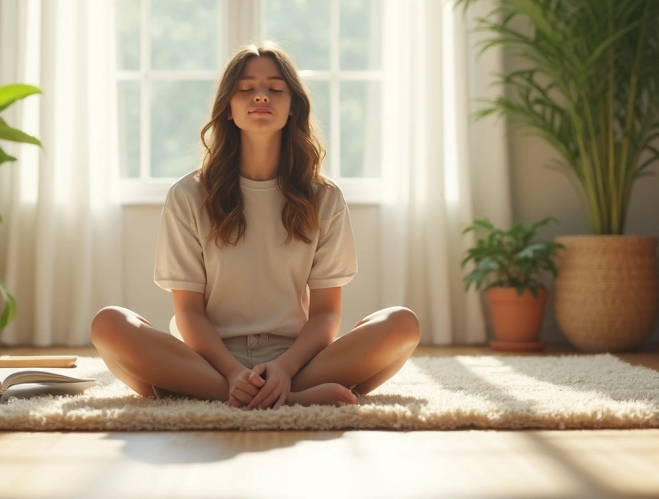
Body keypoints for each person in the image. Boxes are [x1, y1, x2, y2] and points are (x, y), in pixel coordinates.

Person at [91, 42, 420, 410]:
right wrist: (232, 373)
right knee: (110, 324)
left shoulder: (324, 198)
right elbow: (189, 314)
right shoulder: (188, 195)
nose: (261, 96)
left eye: (275, 89)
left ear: (292, 106)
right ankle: (286, 399)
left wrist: (284, 367)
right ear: (228, 109)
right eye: (246, 88)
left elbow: (326, 313)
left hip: (295, 359)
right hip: (209, 359)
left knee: (401, 324)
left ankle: (225, 392)